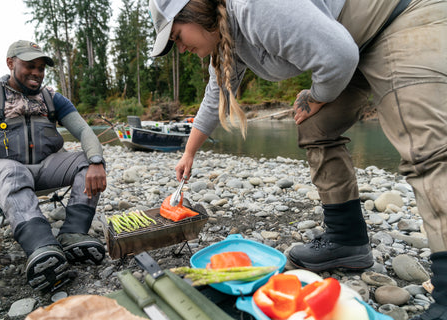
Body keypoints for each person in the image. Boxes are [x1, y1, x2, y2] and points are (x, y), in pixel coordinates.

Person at [148, 0, 447, 319]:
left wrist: (317, 95)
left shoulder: (253, 7)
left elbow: (338, 56)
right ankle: (347, 241)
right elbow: (215, 97)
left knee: (427, 149)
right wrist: (189, 152)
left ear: (196, 10)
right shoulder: (228, 39)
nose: (179, 48)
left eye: (177, 36)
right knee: (314, 125)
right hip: (352, 42)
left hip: (399, 18)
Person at [0, 40, 107, 292]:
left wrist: (96, 161)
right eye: (30, 65)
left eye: (41, 67)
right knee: (13, 171)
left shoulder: (52, 98)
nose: (37, 73)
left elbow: (84, 131)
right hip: (0, 167)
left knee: (89, 160)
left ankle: (73, 233)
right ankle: (41, 246)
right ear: (10, 63)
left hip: (46, 166)